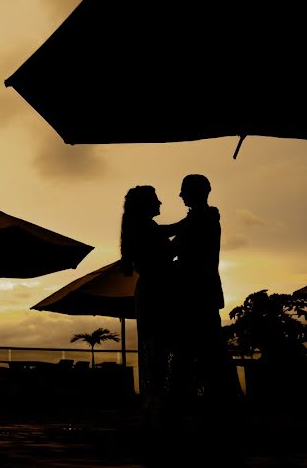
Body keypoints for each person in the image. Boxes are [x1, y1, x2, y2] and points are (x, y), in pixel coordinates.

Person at [170, 174, 238, 409]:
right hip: (203, 292)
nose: (180, 195)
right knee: (208, 350)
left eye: (183, 190)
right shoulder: (202, 218)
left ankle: (194, 401)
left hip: (195, 293)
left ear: (194, 192)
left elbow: (173, 246)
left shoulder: (200, 220)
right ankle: (219, 399)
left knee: (194, 350)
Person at [120, 185, 178, 428]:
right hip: (156, 295)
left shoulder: (143, 228)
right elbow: (167, 250)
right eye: (156, 199)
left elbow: (170, 230)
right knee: (158, 350)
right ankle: (157, 405)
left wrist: (187, 225)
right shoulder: (145, 230)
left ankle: (153, 404)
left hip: (150, 293)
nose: (161, 203)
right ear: (145, 205)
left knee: (154, 350)